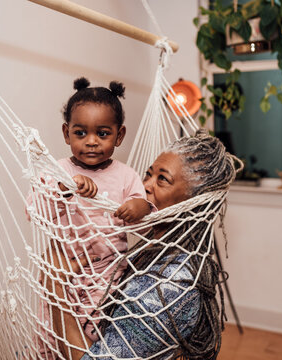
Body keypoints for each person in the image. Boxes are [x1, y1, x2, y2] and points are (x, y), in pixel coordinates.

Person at [45, 130, 241, 360]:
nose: (145, 185)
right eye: (148, 174)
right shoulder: (152, 253)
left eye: (162, 179)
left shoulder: (170, 286)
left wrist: (53, 288)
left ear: (193, 203)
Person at [28, 77, 152, 354]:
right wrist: (63, 190)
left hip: (106, 275)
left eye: (103, 133)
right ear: (66, 133)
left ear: (119, 136)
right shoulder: (58, 171)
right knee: (52, 330)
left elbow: (145, 219)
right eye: (80, 133)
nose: (91, 142)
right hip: (63, 271)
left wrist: (139, 207)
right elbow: (34, 210)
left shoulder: (126, 175)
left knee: (94, 335)